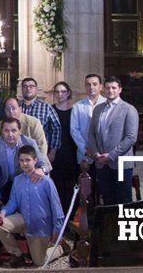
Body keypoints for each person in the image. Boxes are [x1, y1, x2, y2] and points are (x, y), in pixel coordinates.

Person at [0, 145, 65, 268]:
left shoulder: (46, 182)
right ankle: (17, 255)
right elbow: (13, 202)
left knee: (39, 262)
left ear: (35, 160)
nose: (25, 163)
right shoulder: (17, 180)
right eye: (21, 160)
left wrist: (57, 229)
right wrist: (3, 212)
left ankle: (60, 248)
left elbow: (56, 207)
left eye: (28, 160)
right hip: (23, 220)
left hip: (40, 226)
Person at [87, 76, 139, 205]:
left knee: (124, 200)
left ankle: (123, 225)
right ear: (104, 89)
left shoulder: (129, 109)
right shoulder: (98, 109)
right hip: (101, 162)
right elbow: (91, 133)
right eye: (108, 88)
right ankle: (110, 225)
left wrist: (111, 155)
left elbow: (131, 137)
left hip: (121, 162)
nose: (110, 91)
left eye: (114, 88)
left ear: (120, 89)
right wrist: (96, 153)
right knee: (107, 198)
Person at [0, 117, 52, 201]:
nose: (10, 134)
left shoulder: (30, 143)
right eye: (6, 131)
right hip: (5, 183)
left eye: (14, 130)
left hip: (26, 182)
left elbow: (45, 163)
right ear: (2, 132)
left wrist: (42, 170)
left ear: (20, 131)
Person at [50, 81, 79, 213]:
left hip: (71, 152)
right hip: (54, 153)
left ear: (68, 93)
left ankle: (71, 216)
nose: (60, 94)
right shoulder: (50, 110)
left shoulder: (74, 111)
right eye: (57, 92)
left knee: (71, 185)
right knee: (57, 186)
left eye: (63, 92)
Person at [19, 78, 62, 161]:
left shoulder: (46, 107)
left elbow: (56, 129)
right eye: (25, 86)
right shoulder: (16, 107)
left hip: (40, 152)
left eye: (31, 86)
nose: (28, 89)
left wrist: (52, 153)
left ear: (36, 89)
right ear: (22, 89)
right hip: (19, 152)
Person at [71, 73, 105, 165]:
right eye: (88, 84)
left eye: (95, 84)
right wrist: (85, 148)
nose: (91, 87)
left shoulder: (108, 104)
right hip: (85, 153)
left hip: (104, 152)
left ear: (101, 86)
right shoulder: (77, 106)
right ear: (85, 87)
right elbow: (74, 130)